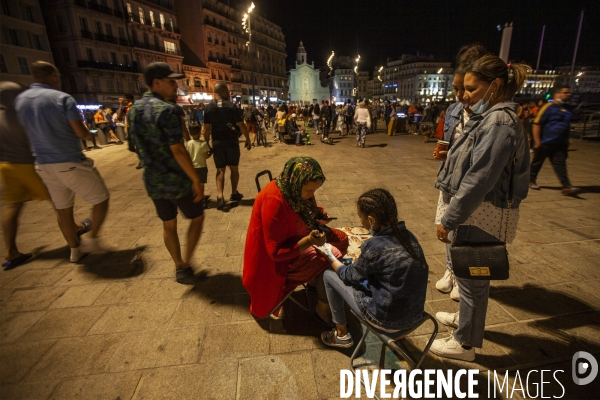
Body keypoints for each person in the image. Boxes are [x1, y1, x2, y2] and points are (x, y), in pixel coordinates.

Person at [430, 54, 531, 362]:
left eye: (472, 89)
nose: (466, 96)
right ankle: (466, 322)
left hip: (481, 212)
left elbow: (479, 178)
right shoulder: (492, 117)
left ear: (495, 86)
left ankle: (464, 344)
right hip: (480, 211)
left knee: (473, 279)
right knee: (472, 275)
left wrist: (449, 219)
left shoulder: (500, 121)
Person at [15, 61, 111, 262]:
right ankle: (93, 239)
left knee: (62, 210)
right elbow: (80, 132)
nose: (58, 80)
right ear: (51, 76)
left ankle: (75, 251)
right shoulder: (62, 99)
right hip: (68, 160)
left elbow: (24, 133)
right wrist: (89, 135)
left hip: (42, 164)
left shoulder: (21, 101)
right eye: (56, 76)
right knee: (101, 199)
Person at [316, 189, 429, 348]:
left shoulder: (374, 246)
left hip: (385, 321)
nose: (361, 221)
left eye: (361, 218)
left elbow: (348, 276)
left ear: (371, 220)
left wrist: (328, 254)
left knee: (329, 274)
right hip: (415, 316)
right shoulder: (409, 236)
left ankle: (341, 334)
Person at [242, 157, 349, 320]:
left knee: (342, 238)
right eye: (309, 191)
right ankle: (323, 308)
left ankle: (315, 282)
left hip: (301, 236)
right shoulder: (275, 201)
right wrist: (309, 241)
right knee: (331, 255)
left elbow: (308, 210)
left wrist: (319, 215)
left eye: (314, 191)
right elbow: (275, 253)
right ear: (296, 182)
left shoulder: (296, 188)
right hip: (278, 263)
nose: (311, 194)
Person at [128, 62, 205, 285]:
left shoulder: (135, 109)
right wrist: (195, 179)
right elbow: (178, 149)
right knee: (197, 217)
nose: (175, 86)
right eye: (171, 81)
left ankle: (178, 265)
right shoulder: (169, 110)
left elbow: (134, 144)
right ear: (156, 83)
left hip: (153, 180)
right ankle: (187, 262)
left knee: (168, 223)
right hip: (176, 180)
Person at [434, 44, 489, 301]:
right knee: (447, 228)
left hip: (470, 184)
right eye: (456, 89)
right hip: (450, 180)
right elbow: (451, 145)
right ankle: (450, 270)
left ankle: (463, 274)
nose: (459, 95)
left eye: (466, 89)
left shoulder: (491, 114)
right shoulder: (454, 110)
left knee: (465, 230)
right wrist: (445, 154)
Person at [0, 82, 51, 268]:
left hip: (6, 166)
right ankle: (73, 229)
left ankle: (11, 251)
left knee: (12, 206)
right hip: (27, 164)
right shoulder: (23, 116)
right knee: (57, 198)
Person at [202, 82, 251, 211]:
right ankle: (234, 193)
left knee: (220, 170)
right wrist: (247, 139)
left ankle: (220, 196)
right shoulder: (232, 106)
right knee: (234, 169)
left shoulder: (208, 108)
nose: (229, 94)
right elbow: (241, 125)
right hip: (232, 142)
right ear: (223, 91)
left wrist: (206, 143)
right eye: (228, 92)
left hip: (217, 142)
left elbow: (206, 129)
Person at [529, 85, 580, 196]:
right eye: (566, 92)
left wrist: (567, 140)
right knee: (537, 163)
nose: (568, 95)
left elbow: (566, 125)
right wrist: (537, 142)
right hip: (545, 142)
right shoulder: (548, 107)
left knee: (560, 164)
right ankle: (530, 180)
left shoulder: (568, 109)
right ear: (557, 94)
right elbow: (537, 124)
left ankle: (566, 186)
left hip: (560, 143)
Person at [186, 132, 212, 207]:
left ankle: (194, 200)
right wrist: (211, 152)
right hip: (201, 167)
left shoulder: (188, 143)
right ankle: (201, 200)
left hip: (192, 167)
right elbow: (206, 156)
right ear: (199, 133)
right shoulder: (203, 143)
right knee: (201, 185)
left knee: (193, 184)